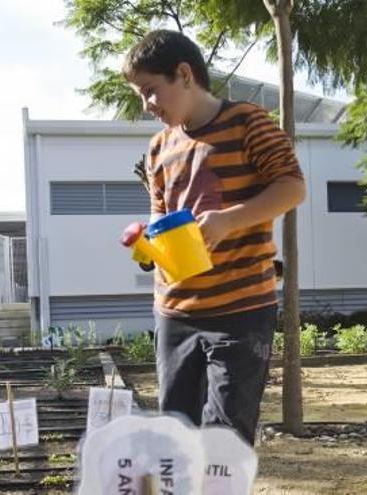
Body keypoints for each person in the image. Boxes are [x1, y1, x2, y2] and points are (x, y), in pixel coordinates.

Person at [123, 30, 306, 444]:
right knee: (176, 434)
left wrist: (227, 221)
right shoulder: (158, 149)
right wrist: (148, 248)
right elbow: (161, 219)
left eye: (150, 91)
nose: (146, 105)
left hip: (240, 311)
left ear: (184, 75)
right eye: (140, 95)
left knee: (225, 440)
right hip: (174, 312)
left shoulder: (249, 123)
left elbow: (292, 187)